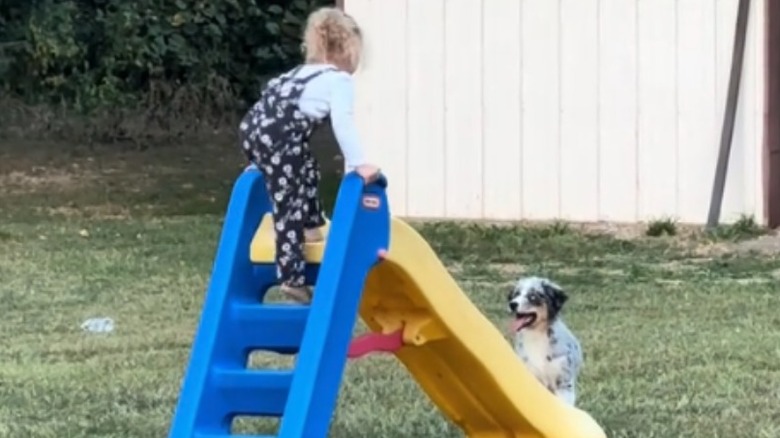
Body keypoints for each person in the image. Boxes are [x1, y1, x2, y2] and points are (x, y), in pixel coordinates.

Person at [238, 6, 380, 304]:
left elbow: (268, 107)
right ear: (344, 50)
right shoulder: (338, 80)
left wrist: (258, 159)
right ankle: (292, 277)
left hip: (253, 129)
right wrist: (358, 164)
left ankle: (312, 225)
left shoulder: (298, 74)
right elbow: (343, 121)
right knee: (287, 201)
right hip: (280, 139)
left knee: (308, 169)